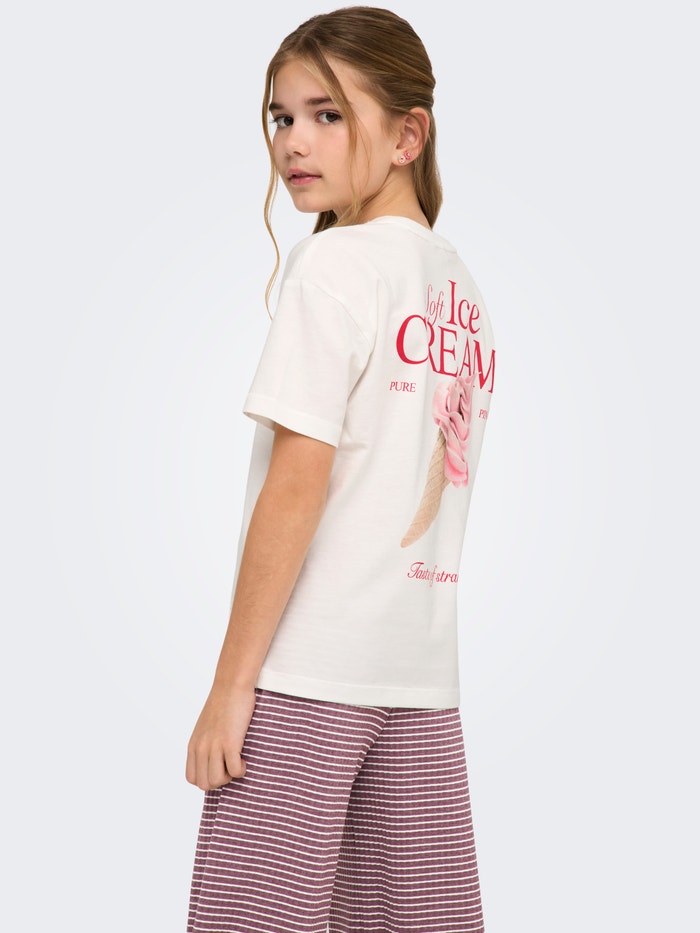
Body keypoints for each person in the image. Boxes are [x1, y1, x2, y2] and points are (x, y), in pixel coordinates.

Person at [185, 7, 496, 932]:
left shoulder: (334, 266)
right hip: (418, 679)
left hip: (308, 673)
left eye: (328, 114)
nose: (294, 141)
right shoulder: (461, 289)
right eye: (282, 116)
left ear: (408, 135)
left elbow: (298, 483)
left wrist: (231, 685)